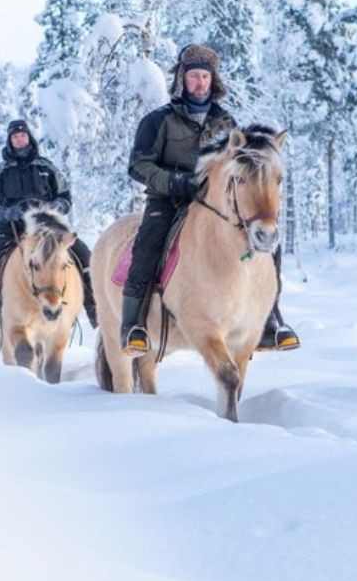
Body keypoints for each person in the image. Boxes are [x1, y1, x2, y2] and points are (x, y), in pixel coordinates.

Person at [120, 43, 300, 356]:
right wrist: (174, 181)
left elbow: (237, 166)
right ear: (182, 79)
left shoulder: (226, 123)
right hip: (168, 200)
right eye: (193, 76)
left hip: (216, 205)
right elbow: (138, 165)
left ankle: (270, 320)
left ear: (213, 80)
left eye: (205, 76)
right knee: (148, 245)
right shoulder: (158, 121)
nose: (199, 82)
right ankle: (133, 326)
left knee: (268, 243)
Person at [0, 119, 97, 342]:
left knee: (83, 254)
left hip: (47, 227)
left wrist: (55, 207)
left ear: (29, 137)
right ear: (10, 141)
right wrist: (7, 213)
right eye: (15, 136)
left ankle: (95, 312)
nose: (19, 139)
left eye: (23, 135)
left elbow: (65, 197)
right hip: (11, 229)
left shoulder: (46, 167)